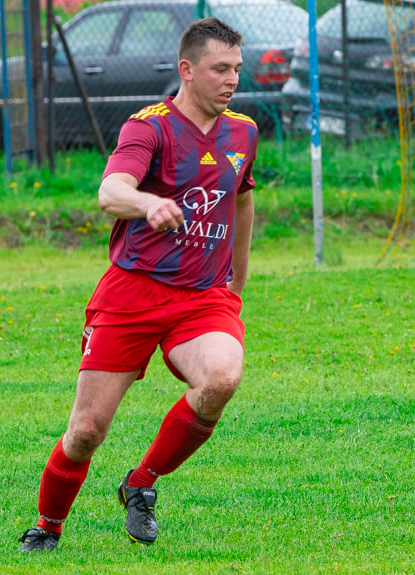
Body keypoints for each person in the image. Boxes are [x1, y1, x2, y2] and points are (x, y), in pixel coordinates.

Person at [18, 17, 256, 552]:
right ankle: (48, 527)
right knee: (85, 432)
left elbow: (242, 196)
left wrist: (238, 281)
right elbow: (110, 192)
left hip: (202, 298)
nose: (231, 80)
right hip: (132, 294)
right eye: (220, 69)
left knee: (221, 378)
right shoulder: (147, 127)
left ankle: (141, 484)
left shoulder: (244, 132)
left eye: (237, 69)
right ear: (187, 71)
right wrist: (148, 203)